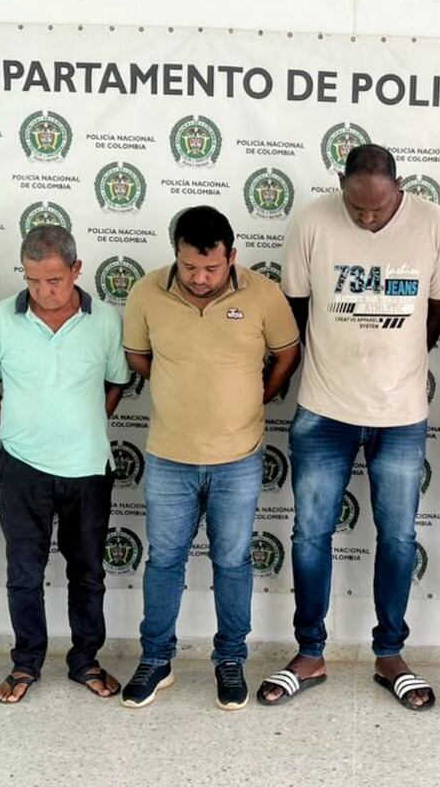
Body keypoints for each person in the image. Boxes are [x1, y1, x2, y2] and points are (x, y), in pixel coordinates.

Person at [259, 144, 440, 710]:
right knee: (308, 536)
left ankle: (390, 653)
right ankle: (309, 653)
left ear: (400, 187)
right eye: (357, 207)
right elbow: (294, 309)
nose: (368, 218)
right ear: (340, 182)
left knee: (397, 538)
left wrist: (403, 358)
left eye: (379, 209)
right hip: (323, 408)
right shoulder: (311, 220)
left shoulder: (433, 223)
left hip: (401, 415)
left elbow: (438, 306)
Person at [118, 205, 300, 710]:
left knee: (233, 562)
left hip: (238, 457)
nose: (199, 278)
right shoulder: (147, 292)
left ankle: (230, 660)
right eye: (189, 266)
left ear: (232, 256)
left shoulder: (263, 294)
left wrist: (259, 396)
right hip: (169, 457)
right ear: (175, 254)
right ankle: (155, 661)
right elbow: (138, 355)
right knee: (165, 562)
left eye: (212, 268)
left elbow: (287, 353)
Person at [0, 225, 130, 704]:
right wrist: (12, 429)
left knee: (88, 572)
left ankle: (85, 660)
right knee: (24, 573)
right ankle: (25, 663)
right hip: (21, 467)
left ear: (77, 270)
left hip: (88, 468)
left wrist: (88, 425)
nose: (43, 291)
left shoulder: (106, 320)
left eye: (54, 280)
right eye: (33, 280)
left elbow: (116, 382)